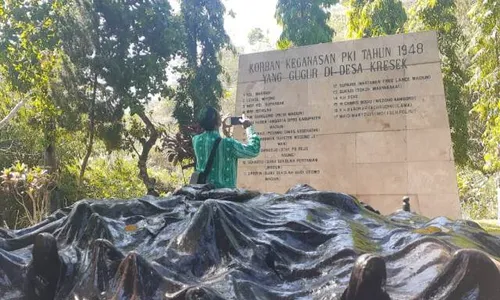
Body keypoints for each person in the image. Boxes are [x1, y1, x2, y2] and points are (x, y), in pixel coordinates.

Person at [192, 106, 260, 188]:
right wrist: (249, 127)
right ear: (219, 122)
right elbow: (254, 149)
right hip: (225, 197)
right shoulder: (228, 144)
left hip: (203, 194)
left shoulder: (196, 140)